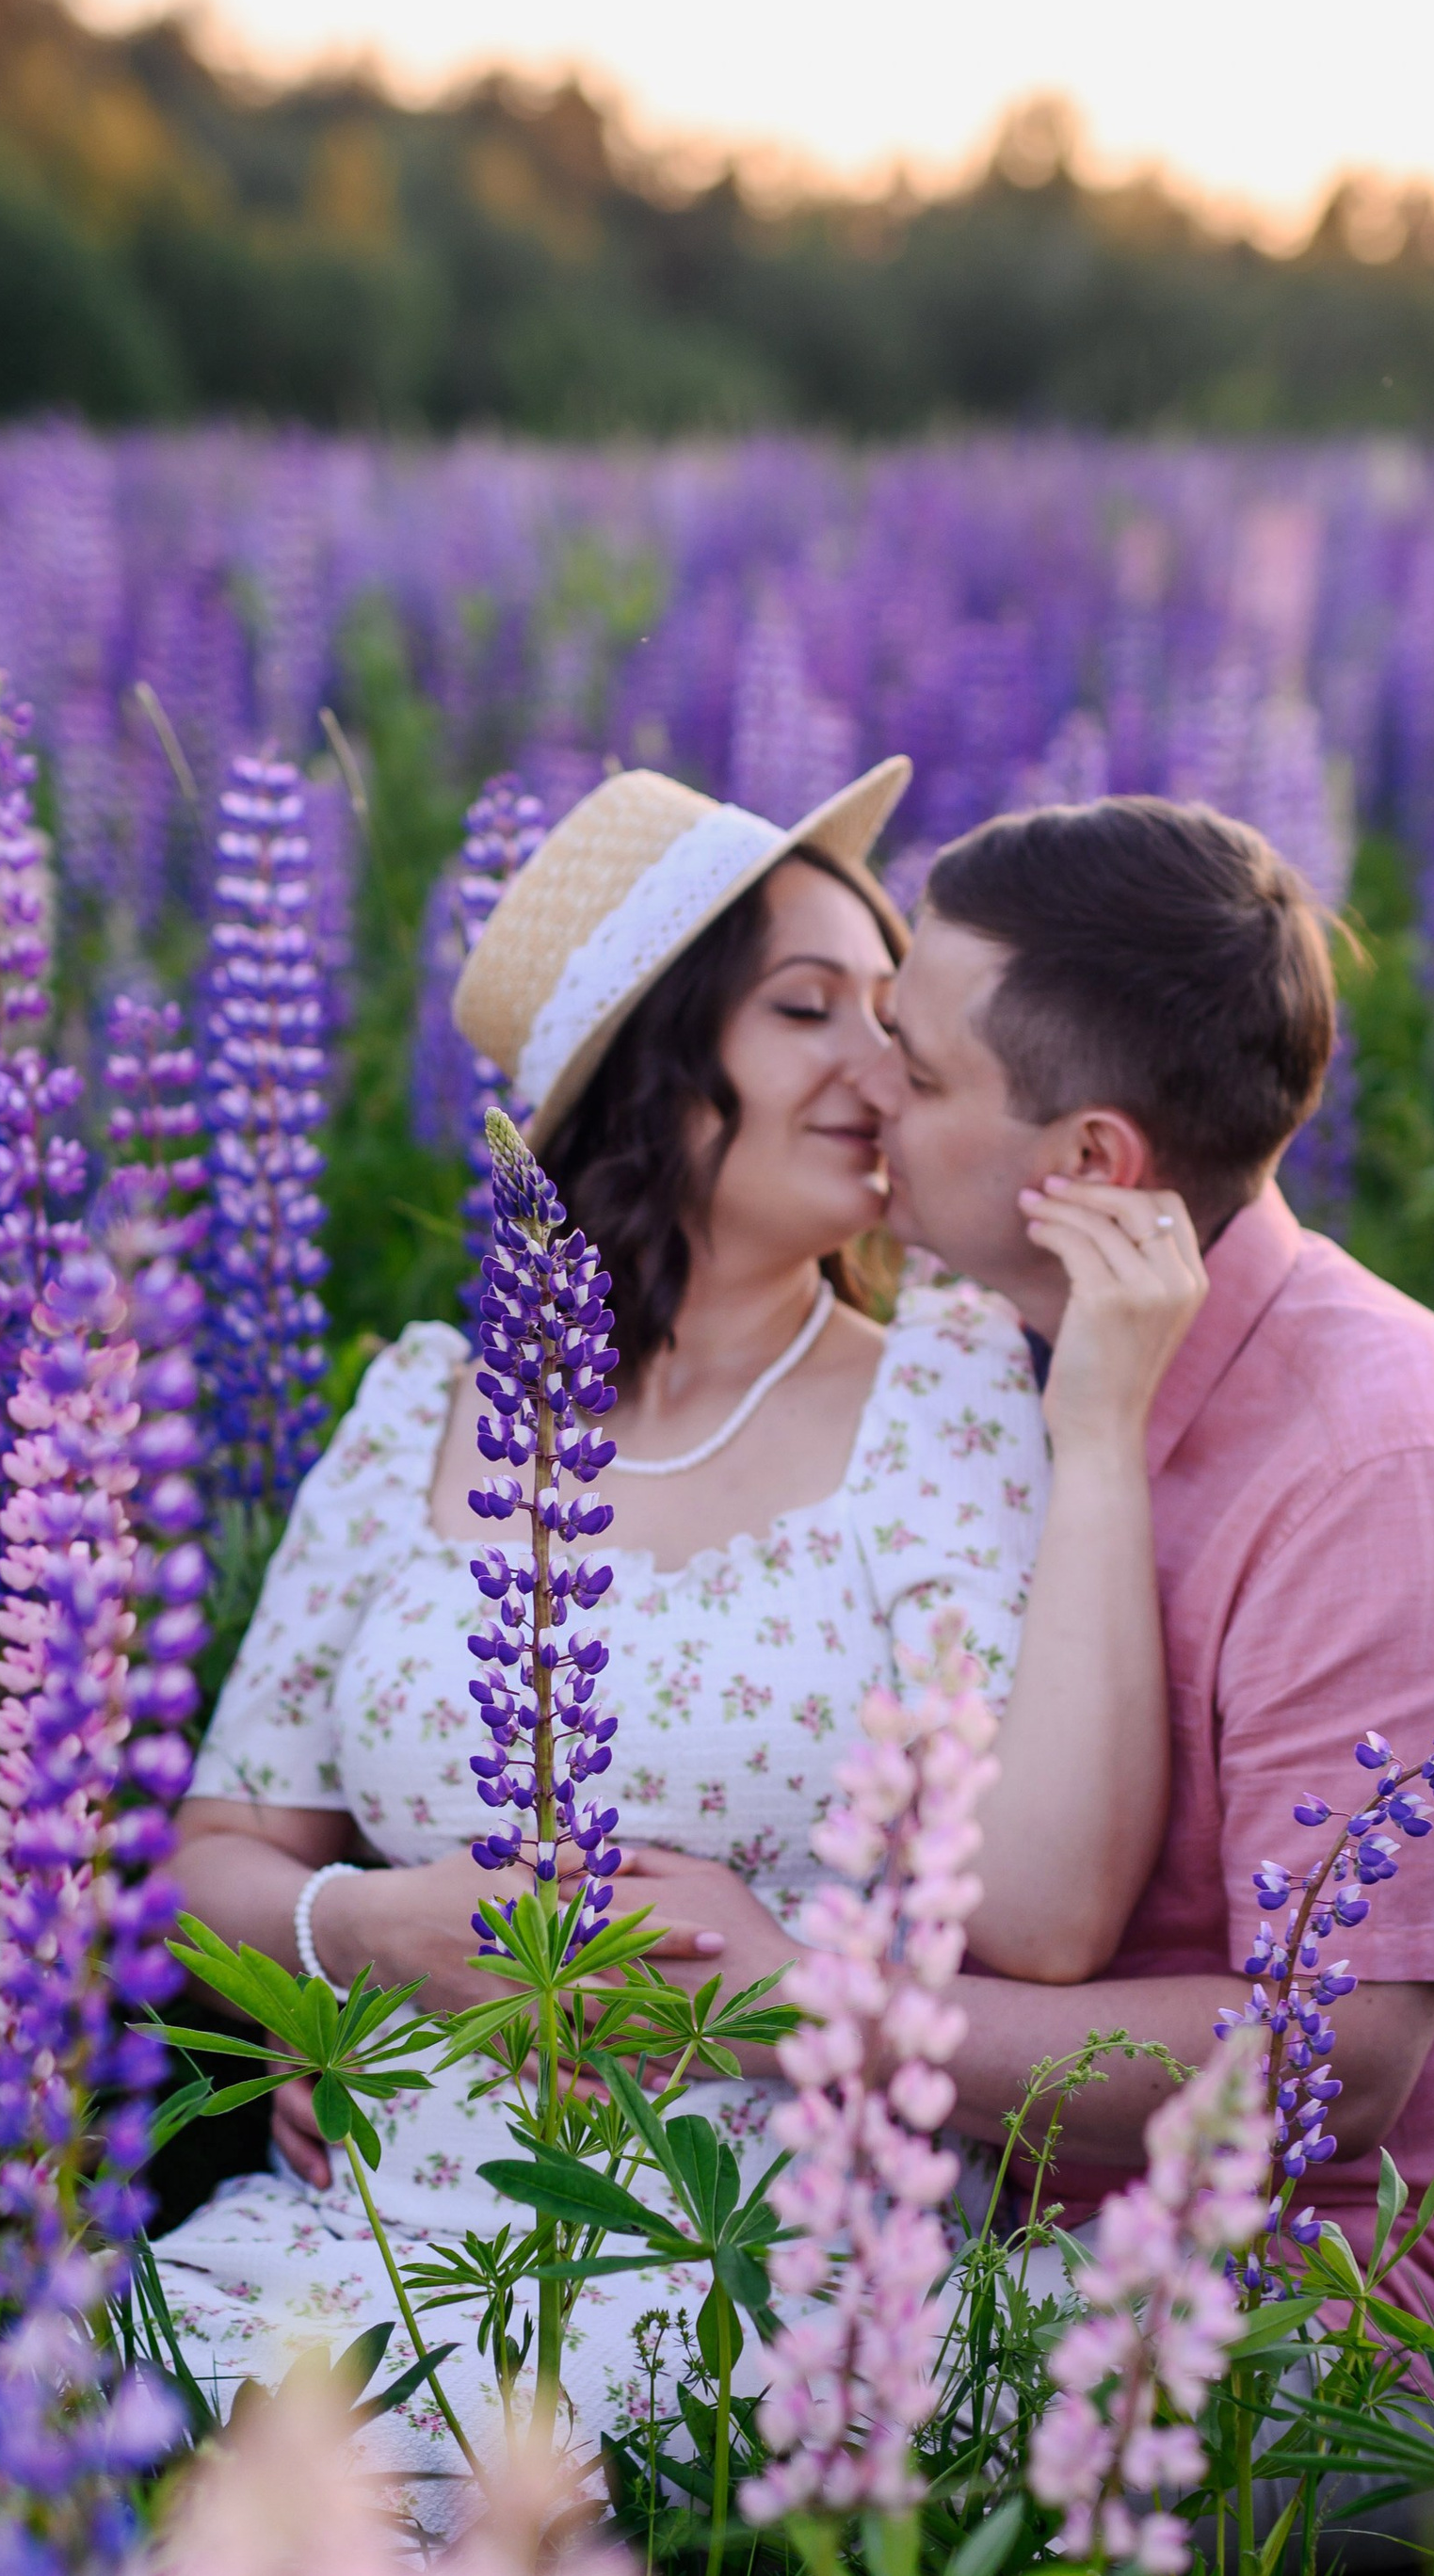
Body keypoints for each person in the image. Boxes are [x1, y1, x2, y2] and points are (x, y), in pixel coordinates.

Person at [153, 760, 1205, 2487]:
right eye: (811, 1012)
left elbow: (1055, 1919)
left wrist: (1092, 1436)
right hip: (381, 2234)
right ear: (652, 1057)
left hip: (767, 2271)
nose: (886, 1070)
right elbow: (216, 1855)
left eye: (896, 1020)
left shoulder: (945, 1395)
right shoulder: (426, 1403)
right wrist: (379, 1931)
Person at [616, 797, 1434, 2380]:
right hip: (1008, 2218)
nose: (866, 1088)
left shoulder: (1398, 1466)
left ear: (1089, 1161)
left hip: (1364, 2304)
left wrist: (796, 2001)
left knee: (675, 2416)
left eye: (924, 1066)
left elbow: (1335, 2062)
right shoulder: (981, 1369)